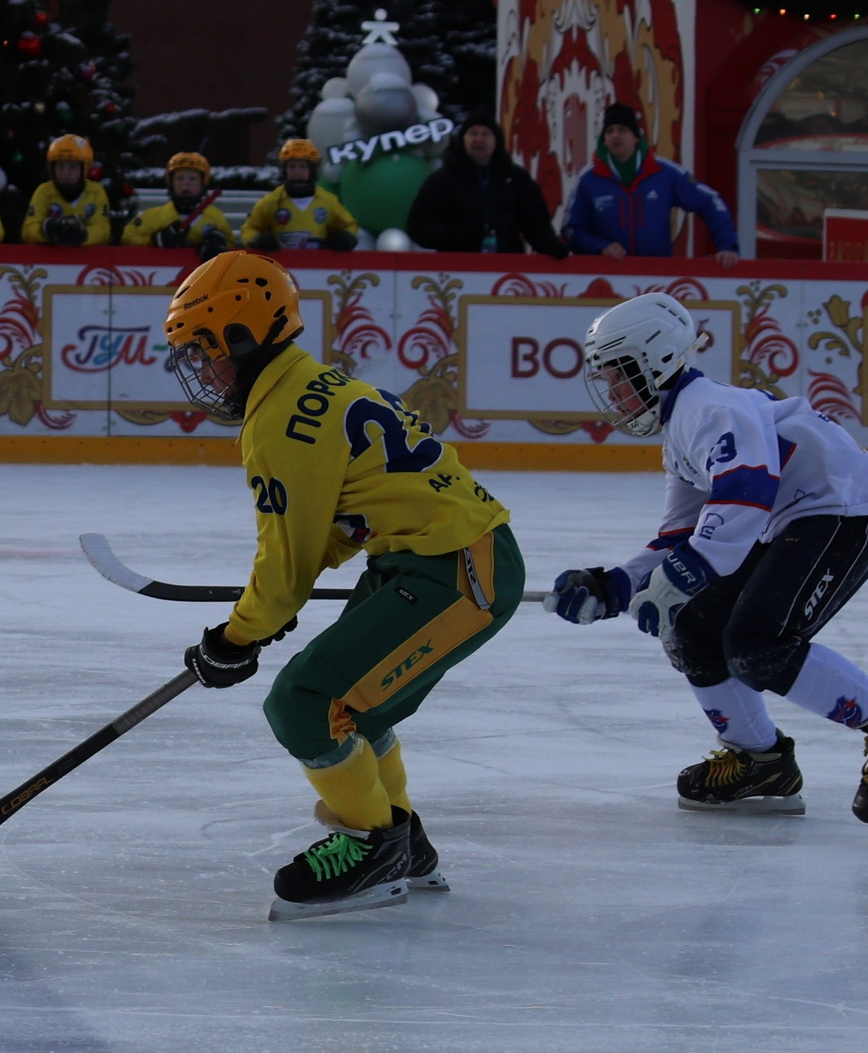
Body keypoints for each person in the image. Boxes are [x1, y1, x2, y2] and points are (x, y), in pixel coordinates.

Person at [162, 252, 522, 919]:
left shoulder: (275, 422)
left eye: (205, 350)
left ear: (241, 337)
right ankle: (403, 841)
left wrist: (237, 635)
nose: (203, 371)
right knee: (353, 708)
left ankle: (371, 845)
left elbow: (284, 565)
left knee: (302, 703)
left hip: (454, 570)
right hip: (444, 556)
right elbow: (340, 522)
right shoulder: (317, 384)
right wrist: (273, 609)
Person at [546, 293, 868, 830]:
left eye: (616, 375)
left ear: (651, 363)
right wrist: (612, 586)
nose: (611, 392)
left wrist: (682, 574)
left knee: (758, 646)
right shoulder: (684, 428)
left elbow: (746, 492)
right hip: (793, 521)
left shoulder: (706, 409)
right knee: (693, 626)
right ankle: (761, 760)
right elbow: (679, 536)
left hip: (839, 515)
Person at [560, 104, 737, 265]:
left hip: (657, 277)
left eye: (622, 130)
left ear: (636, 137)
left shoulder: (664, 172)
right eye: (610, 131)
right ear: (604, 139)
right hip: (607, 278)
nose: (615, 135)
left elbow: (711, 202)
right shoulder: (589, 179)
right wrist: (600, 246)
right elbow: (571, 230)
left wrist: (727, 246)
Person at [405, 117, 569, 256]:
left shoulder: (516, 178)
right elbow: (418, 227)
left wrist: (551, 247)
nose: (479, 139)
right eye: (473, 133)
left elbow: (536, 222)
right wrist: (456, 235)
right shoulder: (442, 180)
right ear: (463, 139)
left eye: (486, 134)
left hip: (507, 270)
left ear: (496, 141)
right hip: (455, 271)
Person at [240, 139, 358, 252]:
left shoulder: (328, 201)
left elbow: (349, 225)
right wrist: (257, 239)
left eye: (302, 167)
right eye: (292, 167)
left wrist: (346, 237)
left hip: (318, 266)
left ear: (312, 170)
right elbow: (250, 227)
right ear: (284, 170)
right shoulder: (271, 201)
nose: (297, 172)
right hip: (280, 266)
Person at [120, 151, 234, 256]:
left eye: (193, 179)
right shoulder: (153, 217)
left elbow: (231, 245)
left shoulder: (216, 217)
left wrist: (219, 244)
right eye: (179, 178)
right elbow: (127, 237)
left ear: (203, 185)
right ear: (171, 184)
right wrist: (154, 240)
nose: (186, 183)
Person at [22, 134, 111, 246]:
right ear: (52, 168)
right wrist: (47, 229)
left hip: (87, 259)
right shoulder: (44, 191)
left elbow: (103, 230)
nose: (66, 173)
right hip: (50, 260)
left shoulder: (96, 191)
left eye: (73, 167)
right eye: (60, 166)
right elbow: (28, 230)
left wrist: (82, 235)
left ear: (85, 168)